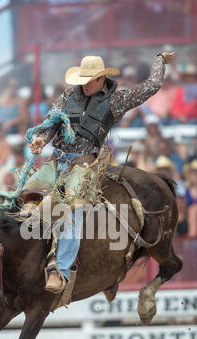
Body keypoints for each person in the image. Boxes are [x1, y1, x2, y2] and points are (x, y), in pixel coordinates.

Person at [25, 51, 176, 292]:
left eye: (88, 80)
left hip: (84, 166)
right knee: (23, 199)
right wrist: (41, 140)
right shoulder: (67, 96)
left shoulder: (117, 101)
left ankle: (59, 271)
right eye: (82, 79)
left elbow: (152, 85)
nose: (84, 84)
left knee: (73, 209)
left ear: (100, 80)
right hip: (57, 162)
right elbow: (51, 122)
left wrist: (159, 60)